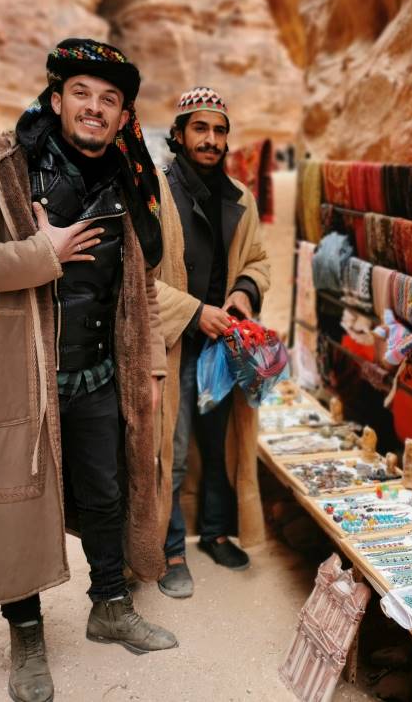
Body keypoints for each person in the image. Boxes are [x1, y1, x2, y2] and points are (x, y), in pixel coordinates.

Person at [0, 38, 177, 702]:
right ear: (55, 99)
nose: (95, 108)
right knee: (18, 506)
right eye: (82, 93)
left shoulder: (129, 181)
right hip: (17, 377)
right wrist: (41, 252)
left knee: (106, 494)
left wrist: (147, 363)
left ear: (122, 116)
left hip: (95, 376)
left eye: (110, 99)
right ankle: (27, 634)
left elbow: (141, 281)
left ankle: (110, 607)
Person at [153, 86, 270, 598]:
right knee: (171, 450)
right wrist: (193, 312)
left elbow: (258, 263)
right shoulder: (153, 193)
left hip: (221, 345)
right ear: (178, 135)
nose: (211, 139)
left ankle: (216, 532)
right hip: (172, 340)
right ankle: (169, 548)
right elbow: (135, 277)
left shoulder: (239, 197)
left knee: (220, 442)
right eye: (200, 129)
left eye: (219, 130)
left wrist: (243, 295)